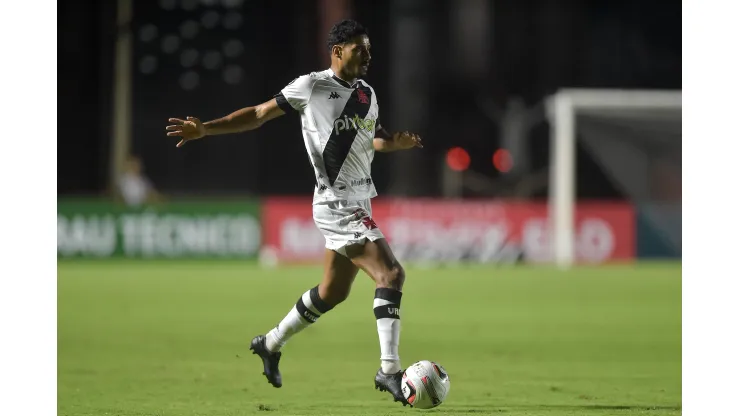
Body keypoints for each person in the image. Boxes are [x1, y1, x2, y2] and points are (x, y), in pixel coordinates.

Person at [165, 19, 422, 406]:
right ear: (337, 52)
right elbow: (258, 113)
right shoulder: (311, 86)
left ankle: (269, 343)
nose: (368, 54)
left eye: (368, 48)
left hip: (359, 201)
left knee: (332, 293)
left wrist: (393, 143)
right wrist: (207, 130)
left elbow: (372, 140)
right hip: (337, 205)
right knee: (391, 273)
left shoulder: (367, 93)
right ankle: (389, 370)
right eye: (359, 48)